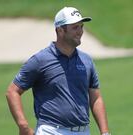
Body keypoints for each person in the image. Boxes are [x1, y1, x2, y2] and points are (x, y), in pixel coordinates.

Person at [6, 7, 110, 135]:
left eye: (81, 26)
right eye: (75, 27)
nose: (80, 32)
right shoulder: (41, 60)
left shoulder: (86, 60)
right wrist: (23, 126)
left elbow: (96, 98)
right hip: (51, 131)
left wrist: (105, 132)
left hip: (83, 131)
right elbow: (12, 91)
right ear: (60, 30)